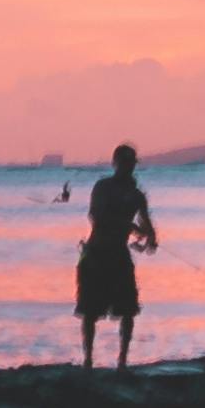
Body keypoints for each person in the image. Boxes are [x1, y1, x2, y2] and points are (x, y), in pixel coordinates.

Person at [76, 143, 159, 372]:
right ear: (115, 163)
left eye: (131, 163)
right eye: (124, 163)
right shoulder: (103, 187)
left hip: (120, 256)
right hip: (96, 254)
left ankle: (122, 361)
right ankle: (88, 361)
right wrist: (130, 225)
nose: (128, 167)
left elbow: (146, 223)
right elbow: (96, 216)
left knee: (128, 310)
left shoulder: (137, 195)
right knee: (90, 311)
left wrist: (150, 238)